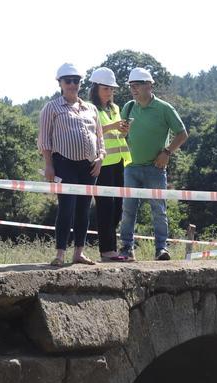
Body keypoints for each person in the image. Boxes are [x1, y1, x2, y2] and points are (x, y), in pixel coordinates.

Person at [37, 63, 104, 267]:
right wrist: (49, 165)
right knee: (66, 208)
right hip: (64, 164)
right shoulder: (52, 108)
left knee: (84, 209)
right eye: (68, 81)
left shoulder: (91, 108)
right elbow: (44, 139)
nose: (72, 84)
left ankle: (79, 252)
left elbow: (99, 137)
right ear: (60, 83)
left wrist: (100, 158)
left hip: (89, 166)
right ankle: (60, 254)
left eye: (76, 81)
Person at [118, 67, 188, 261]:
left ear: (150, 85)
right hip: (131, 167)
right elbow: (123, 135)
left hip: (155, 168)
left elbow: (182, 134)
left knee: (159, 210)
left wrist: (167, 152)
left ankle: (161, 249)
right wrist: (123, 132)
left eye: (138, 85)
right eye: (132, 85)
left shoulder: (165, 108)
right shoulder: (128, 107)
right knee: (128, 209)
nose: (134, 89)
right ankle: (126, 249)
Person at [87, 67, 132, 262]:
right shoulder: (90, 108)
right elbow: (92, 131)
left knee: (118, 207)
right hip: (102, 163)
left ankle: (112, 248)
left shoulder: (114, 108)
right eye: (106, 88)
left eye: (112, 89)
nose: (110, 92)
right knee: (106, 206)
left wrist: (123, 130)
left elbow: (118, 134)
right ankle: (107, 250)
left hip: (119, 162)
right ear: (96, 88)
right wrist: (114, 126)